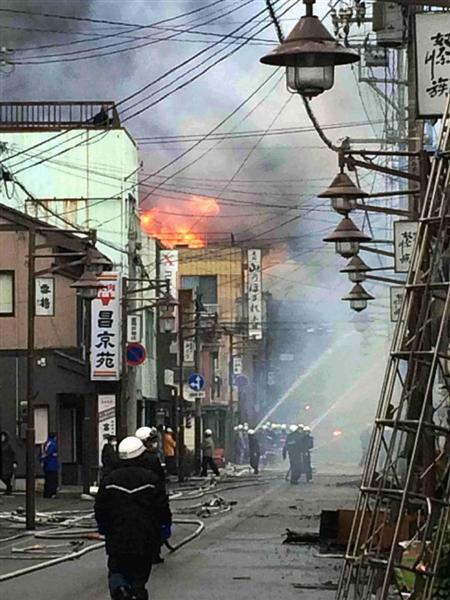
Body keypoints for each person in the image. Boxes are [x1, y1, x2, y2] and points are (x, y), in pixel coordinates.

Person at [95, 436, 172, 600]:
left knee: (116, 568)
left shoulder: (109, 481)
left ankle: (120, 589)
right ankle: (136, 591)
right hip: (145, 536)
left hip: (117, 536)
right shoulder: (151, 480)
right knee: (140, 572)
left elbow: (100, 507)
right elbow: (162, 507)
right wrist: (165, 526)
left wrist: (103, 527)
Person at [40, 432, 59, 498]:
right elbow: (49, 453)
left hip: (46, 465)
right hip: (52, 464)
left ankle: (46, 493)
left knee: (47, 479)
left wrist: (42, 461)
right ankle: (52, 493)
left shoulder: (45, 444)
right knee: (53, 479)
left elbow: (43, 454)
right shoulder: (53, 444)